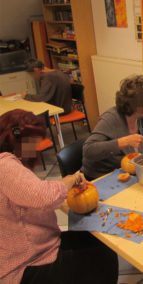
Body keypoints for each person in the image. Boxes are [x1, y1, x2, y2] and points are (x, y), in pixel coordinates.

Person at [0, 109, 118, 284]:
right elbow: (40, 196)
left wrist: (62, 187)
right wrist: (71, 179)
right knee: (104, 259)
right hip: (27, 265)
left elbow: (32, 193)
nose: (35, 148)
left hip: (45, 245)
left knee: (99, 239)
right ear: (15, 139)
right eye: (32, 143)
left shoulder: (10, 165)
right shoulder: (4, 165)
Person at [81, 74, 143, 276]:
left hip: (124, 172)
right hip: (100, 177)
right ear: (137, 104)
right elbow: (88, 150)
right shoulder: (111, 118)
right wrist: (122, 142)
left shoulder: (140, 117)